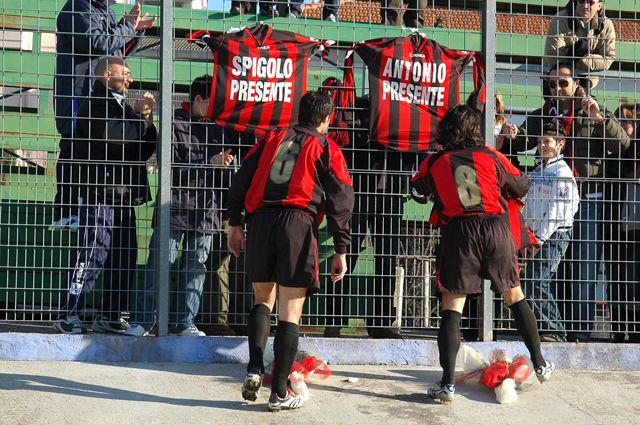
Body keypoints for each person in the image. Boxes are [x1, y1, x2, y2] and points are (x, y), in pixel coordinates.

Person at [410, 105, 555, 404]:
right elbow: (522, 184)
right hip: (495, 228)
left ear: (446, 130)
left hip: (460, 232)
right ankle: (540, 364)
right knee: (514, 295)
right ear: (474, 130)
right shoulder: (491, 155)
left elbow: (417, 190)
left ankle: (447, 384)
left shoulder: (435, 161)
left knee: (453, 305)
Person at [227, 91, 354, 411]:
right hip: (297, 222)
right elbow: (341, 198)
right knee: (291, 311)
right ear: (327, 119)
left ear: (300, 113)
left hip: (260, 220)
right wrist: (341, 247)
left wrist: (234, 223)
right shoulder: (326, 146)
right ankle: (279, 392)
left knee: (262, 299)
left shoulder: (272, 137)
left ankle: (255, 368)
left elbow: (242, 178)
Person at [500, 63, 630, 342]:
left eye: (563, 83)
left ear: (576, 85)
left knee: (584, 265)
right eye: (552, 84)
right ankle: (554, 328)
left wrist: (599, 119)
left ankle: (579, 333)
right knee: (553, 267)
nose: (557, 89)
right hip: (552, 202)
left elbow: (622, 144)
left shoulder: (591, 110)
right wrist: (512, 134)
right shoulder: (545, 114)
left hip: (588, 198)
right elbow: (523, 140)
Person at [53, 56, 157, 334]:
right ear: (108, 74)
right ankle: (68, 313)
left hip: (124, 195)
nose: (131, 79)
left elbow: (140, 149)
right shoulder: (95, 104)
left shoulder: (123, 107)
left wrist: (147, 123)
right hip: (101, 194)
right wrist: (139, 118)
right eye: (126, 73)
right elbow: (115, 136)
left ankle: (110, 316)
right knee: (91, 253)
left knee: (124, 258)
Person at [125, 75, 234, 337]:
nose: (217, 108)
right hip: (173, 206)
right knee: (160, 264)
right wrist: (211, 164)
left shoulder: (220, 127)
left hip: (206, 209)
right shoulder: (174, 123)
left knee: (196, 267)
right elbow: (170, 168)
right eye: (212, 102)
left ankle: (185, 322)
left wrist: (226, 166)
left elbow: (224, 173)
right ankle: (144, 319)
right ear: (198, 99)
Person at [53, 0, 155, 229]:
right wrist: (127, 27)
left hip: (102, 96)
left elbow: (115, 53)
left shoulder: (107, 12)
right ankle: (67, 212)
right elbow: (97, 42)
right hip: (78, 92)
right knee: (73, 144)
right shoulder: (78, 7)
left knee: (100, 150)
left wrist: (133, 30)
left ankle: (90, 206)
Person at [522, 121, 580, 343]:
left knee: (537, 280)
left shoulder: (562, 172)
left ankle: (555, 329)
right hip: (538, 235)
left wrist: (539, 238)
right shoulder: (538, 170)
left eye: (547, 141)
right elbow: (530, 205)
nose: (542, 146)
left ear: (560, 144)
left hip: (555, 234)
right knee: (533, 280)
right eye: (539, 142)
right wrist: (529, 234)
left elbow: (558, 210)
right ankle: (546, 328)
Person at [611, 103, 640, 342]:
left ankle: (636, 328)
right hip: (617, 220)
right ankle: (618, 329)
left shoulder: (633, 148)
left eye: (627, 121)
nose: (622, 125)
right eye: (619, 120)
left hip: (634, 221)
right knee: (617, 276)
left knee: (633, 277)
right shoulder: (614, 149)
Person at [544, 0, 615, 90]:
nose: (585, 6)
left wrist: (576, 57)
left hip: (587, 78)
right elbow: (553, 56)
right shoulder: (559, 19)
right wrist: (585, 59)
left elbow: (608, 59)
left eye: (590, 2)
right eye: (581, 1)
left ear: (599, 6)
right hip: (557, 77)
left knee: (584, 95)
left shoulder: (607, 25)